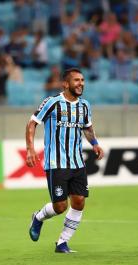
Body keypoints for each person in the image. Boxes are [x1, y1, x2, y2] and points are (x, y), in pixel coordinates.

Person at [26, 68, 104, 253]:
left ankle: (62, 243)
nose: (81, 83)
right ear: (66, 84)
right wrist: (30, 148)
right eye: (76, 80)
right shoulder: (52, 102)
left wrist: (95, 143)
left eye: (83, 80)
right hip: (56, 163)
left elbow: (87, 128)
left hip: (77, 162)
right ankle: (38, 218)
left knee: (79, 202)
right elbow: (32, 123)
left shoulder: (84, 105)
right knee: (60, 206)